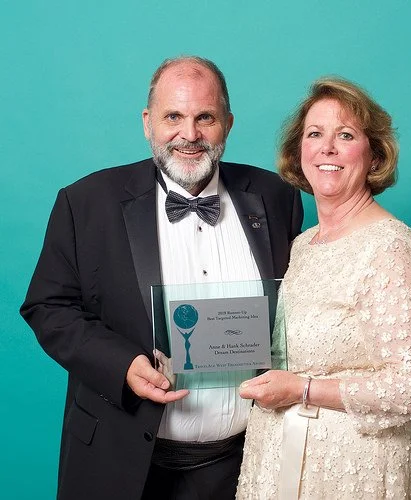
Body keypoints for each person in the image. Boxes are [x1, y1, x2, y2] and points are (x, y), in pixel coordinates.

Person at [20, 56, 303, 500]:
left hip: (246, 463)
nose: (189, 134)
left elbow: (296, 306)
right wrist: (122, 365)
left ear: (228, 124)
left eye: (205, 117)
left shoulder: (276, 196)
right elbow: (48, 306)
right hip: (122, 461)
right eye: (173, 116)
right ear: (147, 122)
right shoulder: (86, 202)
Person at [237, 77, 411, 499]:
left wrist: (302, 390)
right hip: (278, 456)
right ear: (299, 152)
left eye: (345, 135)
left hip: (352, 469)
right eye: (315, 134)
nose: (327, 148)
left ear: (374, 154)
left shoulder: (388, 248)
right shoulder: (304, 244)